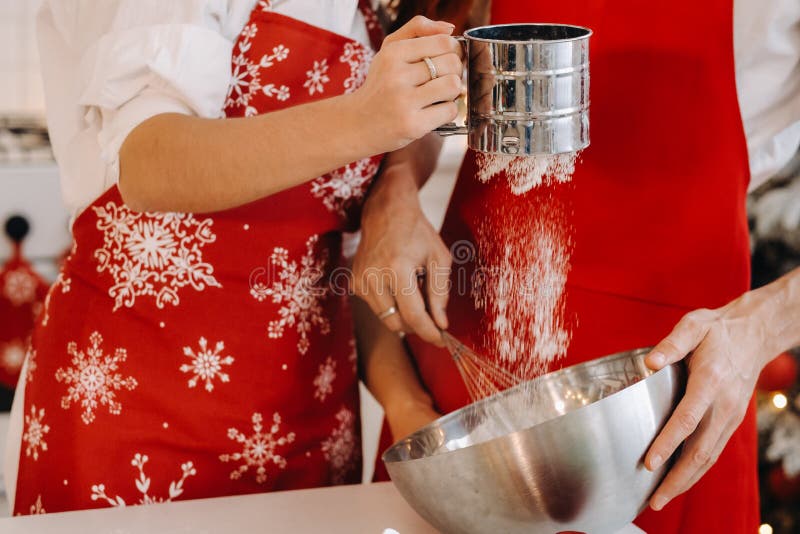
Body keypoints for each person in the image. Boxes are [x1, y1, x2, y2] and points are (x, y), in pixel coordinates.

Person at [4, 0, 465, 515]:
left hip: (311, 441)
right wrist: (368, 118)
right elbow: (150, 163)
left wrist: (408, 408)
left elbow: (328, 263)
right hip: (133, 421)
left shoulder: (367, 17)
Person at [355, 0, 800, 531]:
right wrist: (395, 189)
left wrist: (757, 329)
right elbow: (435, 65)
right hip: (466, 359)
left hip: (674, 385)